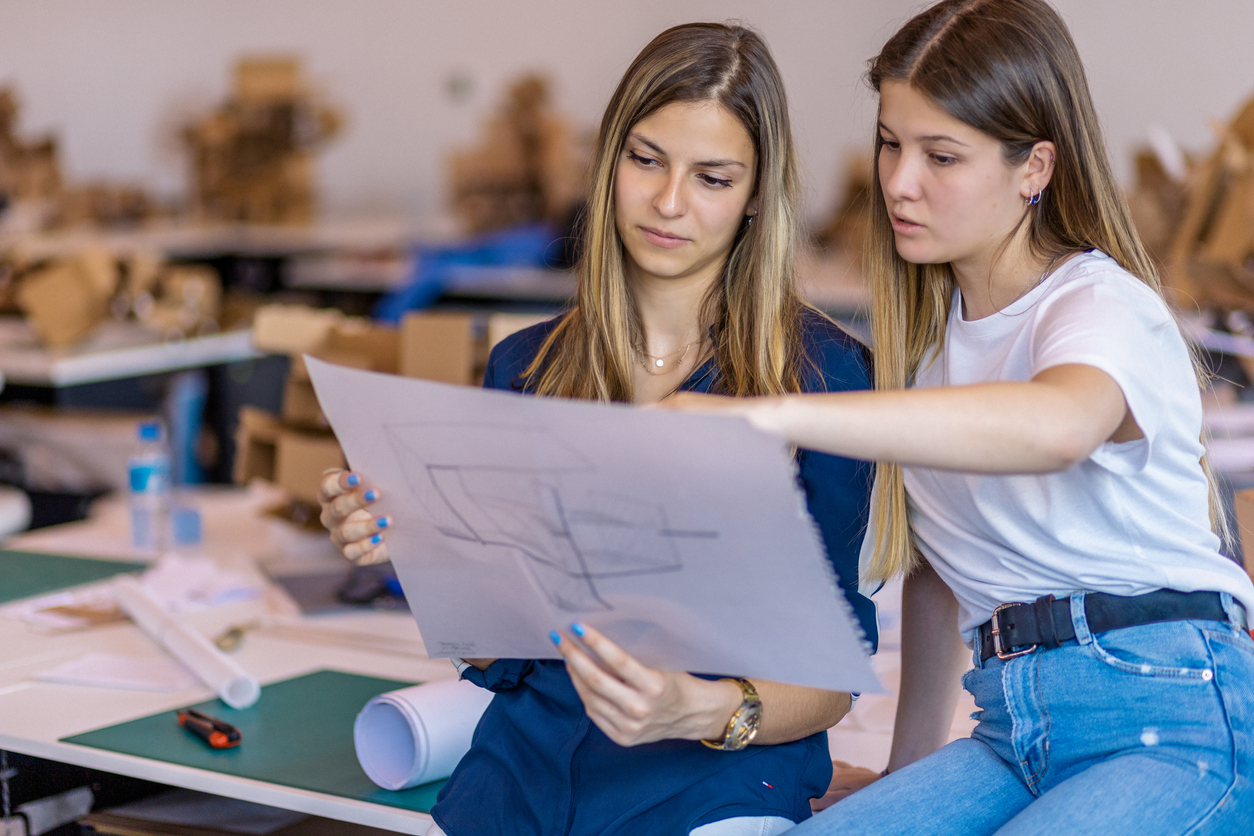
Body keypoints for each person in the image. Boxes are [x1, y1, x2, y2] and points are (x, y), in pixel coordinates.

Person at [670, 1, 1254, 834]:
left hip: (1175, 716)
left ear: (1034, 168)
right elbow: (944, 572)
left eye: (941, 155)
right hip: (1013, 731)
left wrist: (770, 419)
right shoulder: (931, 346)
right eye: (890, 142)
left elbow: (1058, 427)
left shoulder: (1095, 306)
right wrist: (906, 778)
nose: (900, 182)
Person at [319, 23, 878, 836]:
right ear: (610, 159)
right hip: (524, 775)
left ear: (758, 195)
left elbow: (830, 680)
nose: (669, 203)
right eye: (646, 160)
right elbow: (496, 651)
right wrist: (412, 537)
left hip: (709, 787)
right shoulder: (525, 365)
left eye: (713, 178)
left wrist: (702, 708)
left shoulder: (823, 378)